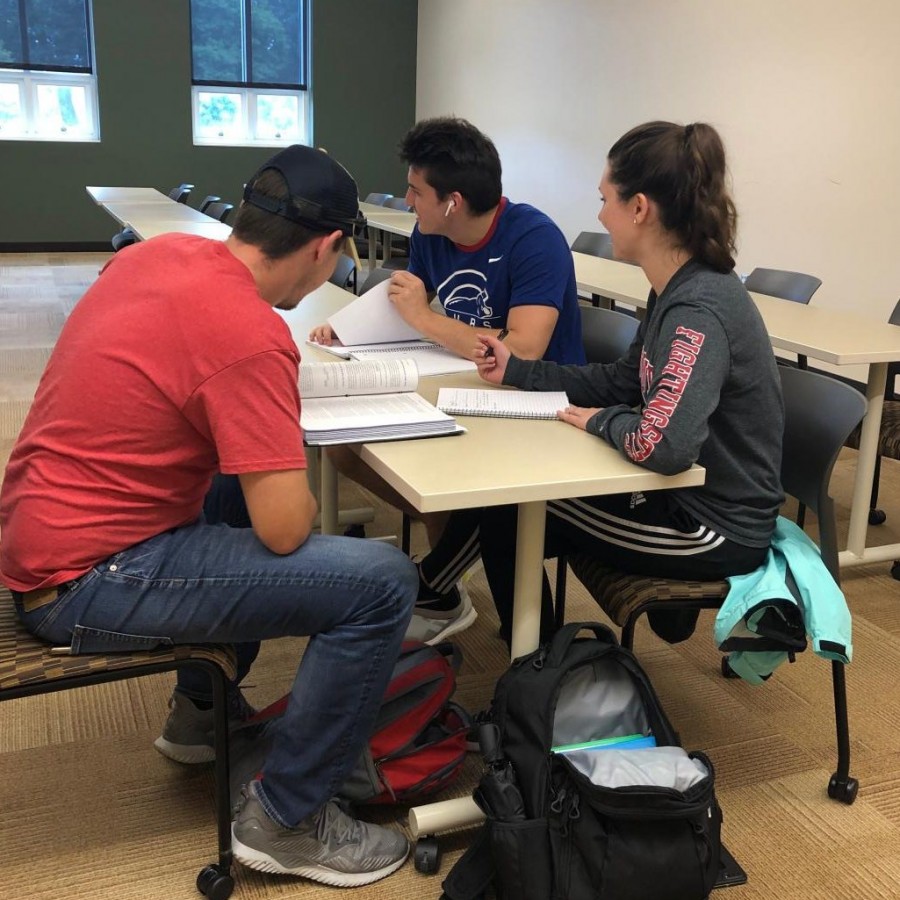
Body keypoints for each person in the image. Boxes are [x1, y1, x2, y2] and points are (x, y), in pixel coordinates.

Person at [0, 145, 419, 887]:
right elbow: (288, 529)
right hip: (86, 579)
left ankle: (201, 718)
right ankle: (288, 820)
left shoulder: (153, 258)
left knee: (232, 484)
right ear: (327, 248)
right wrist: (279, 417)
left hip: (45, 535)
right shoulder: (248, 333)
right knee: (382, 581)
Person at [447, 120, 786, 644]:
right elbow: (624, 380)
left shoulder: (696, 308)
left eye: (605, 198)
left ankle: (539, 663)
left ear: (640, 208)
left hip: (711, 527)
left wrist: (601, 422)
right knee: (508, 508)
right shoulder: (673, 289)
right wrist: (517, 370)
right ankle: (527, 644)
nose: (600, 213)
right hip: (672, 493)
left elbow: (663, 444)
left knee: (510, 512)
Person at [309, 116, 585, 645]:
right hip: (466, 387)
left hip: (538, 406)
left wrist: (426, 320)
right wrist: (350, 329)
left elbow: (522, 351)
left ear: (452, 201)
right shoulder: (430, 236)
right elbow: (407, 305)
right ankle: (445, 585)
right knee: (346, 449)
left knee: (482, 493)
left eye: (415, 192)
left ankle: (453, 593)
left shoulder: (534, 238)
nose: (408, 202)